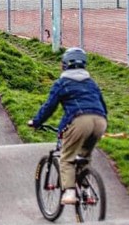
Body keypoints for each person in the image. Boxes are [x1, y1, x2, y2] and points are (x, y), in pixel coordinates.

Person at [28, 47, 108, 205]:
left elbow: (49, 107)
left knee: (66, 158)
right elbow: (103, 106)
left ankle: (70, 192)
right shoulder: (91, 83)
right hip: (100, 121)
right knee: (83, 157)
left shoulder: (62, 83)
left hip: (80, 120)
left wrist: (36, 122)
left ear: (64, 64)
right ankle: (86, 191)